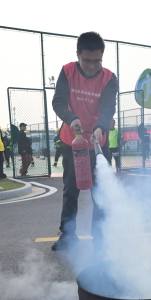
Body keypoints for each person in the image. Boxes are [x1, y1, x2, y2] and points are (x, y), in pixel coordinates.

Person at [51, 31, 118, 251]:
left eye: (97, 61)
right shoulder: (67, 71)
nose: (92, 66)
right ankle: (68, 235)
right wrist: (71, 119)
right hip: (72, 141)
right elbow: (58, 102)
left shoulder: (109, 78)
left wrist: (100, 127)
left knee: (99, 191)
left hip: (98, 141)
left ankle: (100, 236)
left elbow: (108, 107)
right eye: (87, 60)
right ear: (78, 55)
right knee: (71, 190)